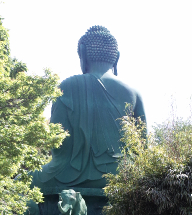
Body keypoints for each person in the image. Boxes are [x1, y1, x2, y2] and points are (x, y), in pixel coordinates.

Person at [32, 26, 146, 192]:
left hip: (71, 175)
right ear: (117, 58)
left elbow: (57, 146)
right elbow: (143, 150)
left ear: (82, 53)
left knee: (23, 180)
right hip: (124, 176)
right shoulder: (134, 93)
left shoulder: (67, 86)